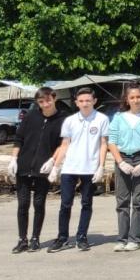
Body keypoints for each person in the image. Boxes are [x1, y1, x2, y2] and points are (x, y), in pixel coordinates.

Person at [48, 87, 109, 252]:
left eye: (88, 100)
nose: (85, 104)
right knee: (65, 204)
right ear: (76, 102)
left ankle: (82, 236)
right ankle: (62, 237)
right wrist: (56, 166)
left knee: (86, 203)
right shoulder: (70, 120)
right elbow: (65, 144)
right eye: (81, 101)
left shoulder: (102, 119)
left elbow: (103, 144)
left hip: (90, 167)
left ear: (94, 101)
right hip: (70, 167)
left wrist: (101, 166)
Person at [8, 87, 65, 253]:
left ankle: (35, 238)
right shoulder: (31, 116)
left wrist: (53, 161)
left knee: (39, 203)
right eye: (41, 102)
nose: (45, 104)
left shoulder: (62, 118)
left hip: (43, 166)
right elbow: (19, 138)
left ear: (54, 98)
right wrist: (14, 159)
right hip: (24, 165)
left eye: (47, 100)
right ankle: (22, 239)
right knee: (23, 204)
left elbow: (63, 144)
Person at [108, 83, 140, 251]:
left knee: (138, 201)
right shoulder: (118, 117)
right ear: (127, 99)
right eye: (132, 97)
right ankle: (121, 238)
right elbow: (112, 141)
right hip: (122, 157)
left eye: (138, 97)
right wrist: (120, 161)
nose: (135, 100)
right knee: (122, 201)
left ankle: (135, 238)